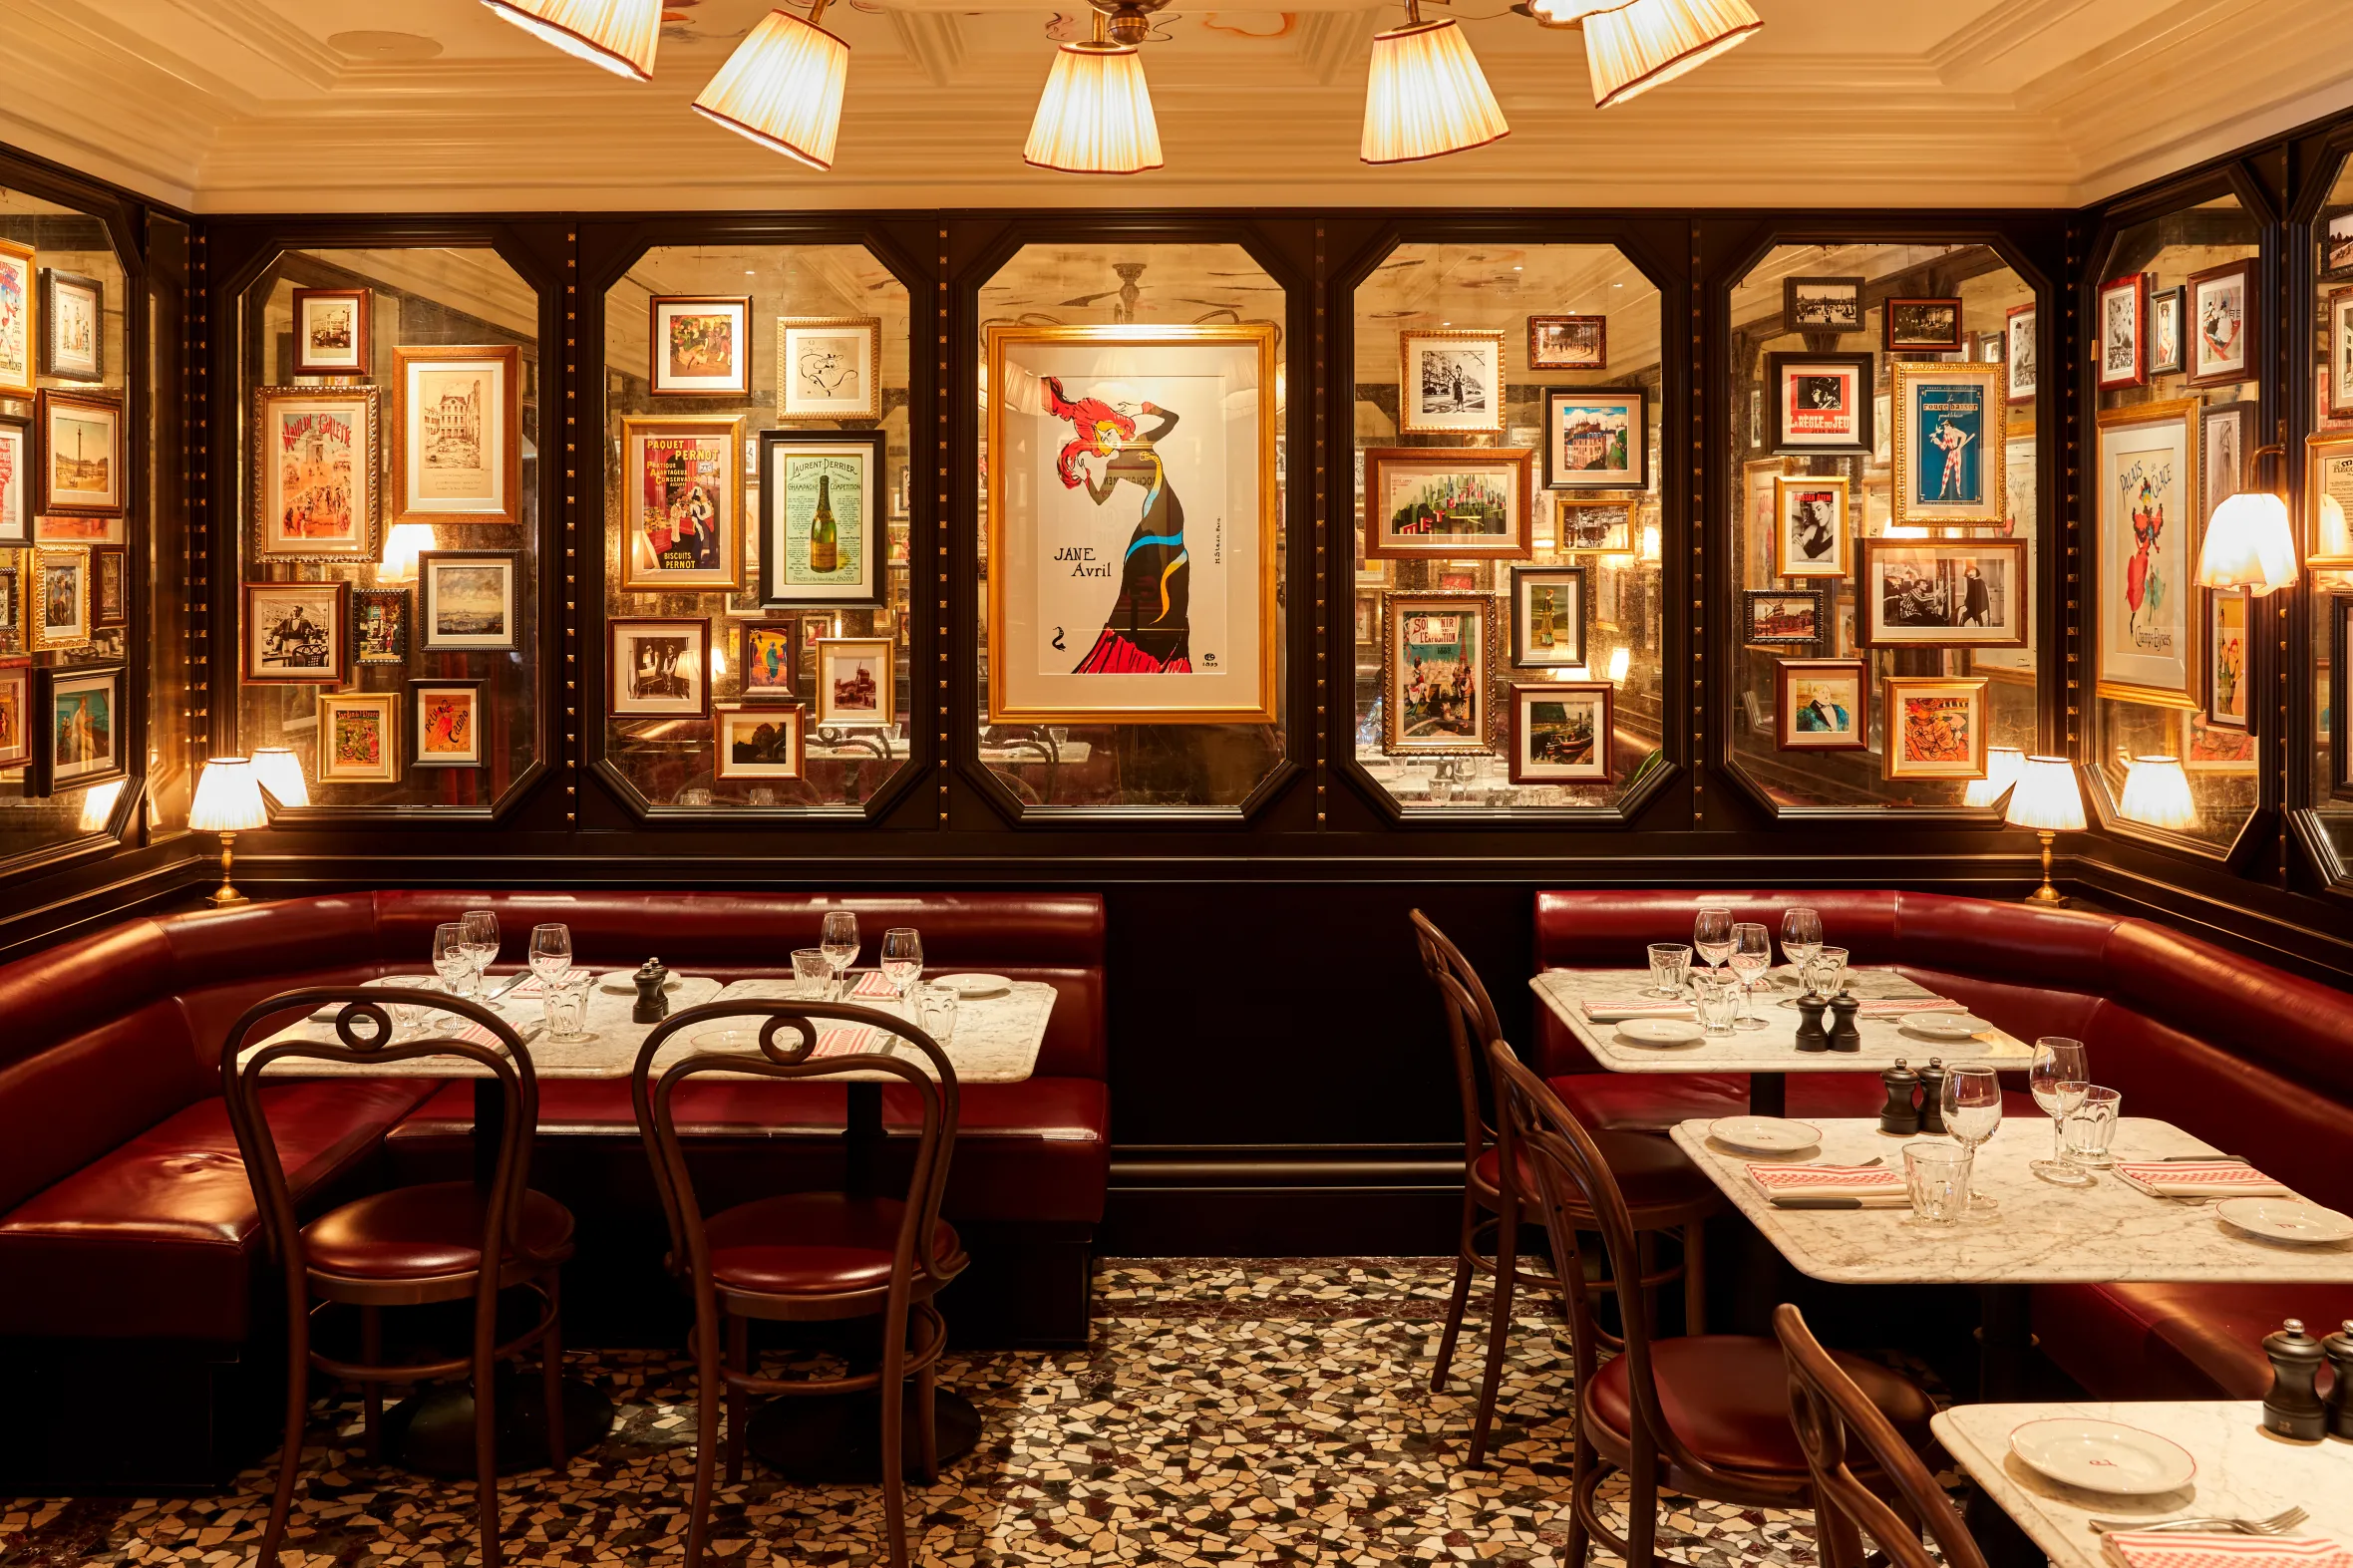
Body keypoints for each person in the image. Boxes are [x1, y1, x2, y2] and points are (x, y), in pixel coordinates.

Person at [1043, 376, 1191, 676]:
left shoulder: (1142, 442)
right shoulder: (1113, 466)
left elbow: (1172, 419)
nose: (1107, 439)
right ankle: (1138, 664)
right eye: (1100, 438)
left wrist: (1142, 407)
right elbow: (1100, 499)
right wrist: (1086, 478)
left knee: (1176, 595)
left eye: (1107, 431)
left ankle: (1171, 670)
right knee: (1154, 603)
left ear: (1114, 424)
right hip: (1151, 532)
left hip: (1165, 527)